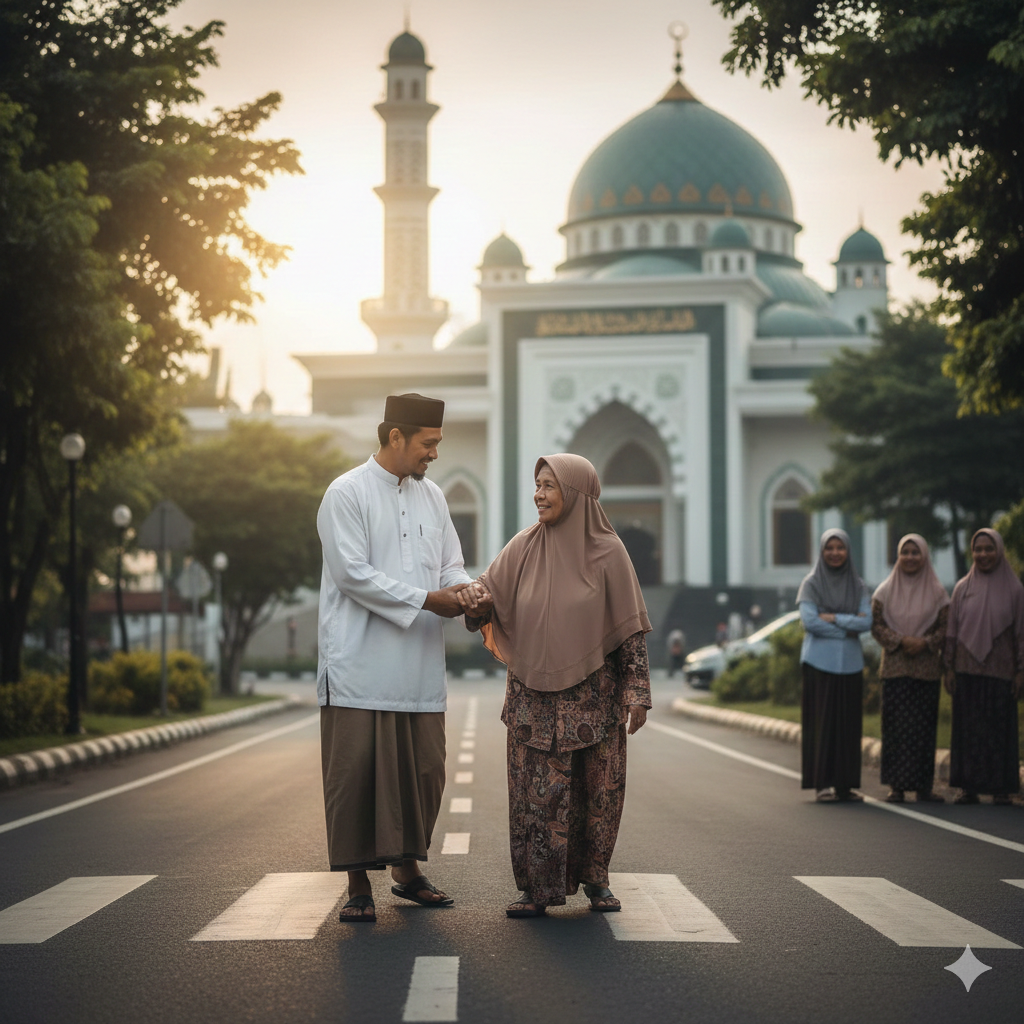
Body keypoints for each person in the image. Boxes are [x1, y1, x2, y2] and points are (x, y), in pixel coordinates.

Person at [460, 454, 652, 917]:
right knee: (534, 796)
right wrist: (474, 599)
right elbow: (487, 595)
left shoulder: (609, 553)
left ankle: (596, 880)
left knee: (597, 794)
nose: (539, 495)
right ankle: (536, 888)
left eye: (549, 486)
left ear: (578, 494)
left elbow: (629, 629)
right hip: (533, 705)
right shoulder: (523, 547)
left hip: (594, 704)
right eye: (537, 485)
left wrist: (636, 692)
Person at [316, 393, 481, 923]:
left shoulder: (433, 497)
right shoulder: (346, 493)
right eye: (427, 443)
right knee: (357, 774)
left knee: (425, 771)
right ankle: (358, 882)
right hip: (359, 665)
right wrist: (428, 600)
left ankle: (408, 874)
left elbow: (450, 564)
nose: (434, 454)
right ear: (395, 437)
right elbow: (351, 574)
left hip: (417, 669)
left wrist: (465, 592)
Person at [943, 528, 1024, 806]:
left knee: (999, 729)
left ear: (999, 551)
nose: (983, 554)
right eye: (978, 549)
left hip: (1001, 671)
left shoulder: (1015, 589)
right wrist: (949, 668)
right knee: (968, 729)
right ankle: (969, 787)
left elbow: (1021, 634)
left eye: (989, 549)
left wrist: (1020, 670)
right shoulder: (962, 588)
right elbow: (952, 631)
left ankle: (1001, 788)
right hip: (966, 670)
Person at [871, 534, 950, 803]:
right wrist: (901, 640)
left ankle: (923, 787)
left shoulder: (938, 593)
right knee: (895, 728)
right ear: (898, 556)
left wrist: (925, 642)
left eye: (916, 553)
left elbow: (947, 627)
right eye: (905, 552)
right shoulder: (884, 591)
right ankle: (897, 786)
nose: (910, 558)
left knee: (924, 729)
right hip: (895, 669)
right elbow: (876, 625)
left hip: (926, 669)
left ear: (925, 556)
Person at [797, 528, 872, 802]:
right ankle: (823, 784)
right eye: (830, 548)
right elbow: (810, 621)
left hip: (850, 664)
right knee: (822, 725)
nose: (835, 553)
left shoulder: (859, 585)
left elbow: (867, 622)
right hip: (819, 664)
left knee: (848, 727)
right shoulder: (811, 584)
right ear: (822, 551)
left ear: (848, 551)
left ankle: (846, 785)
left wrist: (833, 619)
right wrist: (847, 625)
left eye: (840, 548)